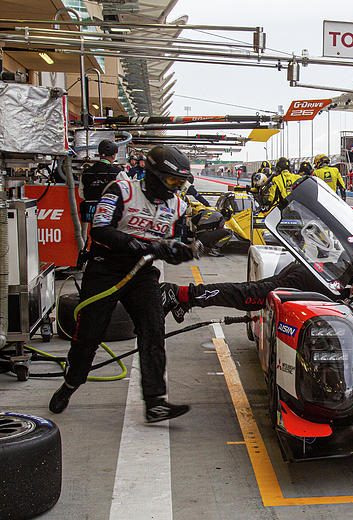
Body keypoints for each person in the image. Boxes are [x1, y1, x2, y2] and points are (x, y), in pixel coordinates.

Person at [49, 145, 196, 423]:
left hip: (143, 274)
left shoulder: (178, 206)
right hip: (106, 268)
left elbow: (177, 244)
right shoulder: (121, 190)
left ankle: (155, 403)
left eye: (180, 183)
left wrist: (183, 250)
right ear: (154, 175)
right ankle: (70, 384)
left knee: (153, 329)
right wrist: (141, 245)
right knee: (90, 332)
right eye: (172, 181)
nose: (175, 187)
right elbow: (100, 229)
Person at [160, 261, 334, 322]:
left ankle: (185, 299)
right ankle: (179, 293)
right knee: (244, 295)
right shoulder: (352, 281)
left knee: (245, 291)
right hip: (300, 282)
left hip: (304, 272)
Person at [78, 139, 125, 223]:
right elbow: (127, 193)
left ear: (99, 154)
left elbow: (81, 193)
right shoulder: (118, 173)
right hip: (112, 216)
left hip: (92, 214)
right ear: (114, 156)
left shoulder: (86, 173)